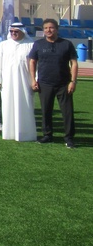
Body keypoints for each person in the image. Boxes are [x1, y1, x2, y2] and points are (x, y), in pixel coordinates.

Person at [28, 19, 78, 149]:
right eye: (45, 28)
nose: (48, 30)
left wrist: (73, 81)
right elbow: (32, 62)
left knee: (67, 112)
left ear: (56, 29)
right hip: (44, 83)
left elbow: (74, 63)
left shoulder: (67, 44)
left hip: (64, 84)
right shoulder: (38, 44)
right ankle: (47, 135)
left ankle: (69, 138)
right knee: (46, 111)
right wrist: (33, 79)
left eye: (51, 28)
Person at [0, 22, 37, 142]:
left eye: (16, 31)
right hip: (7, 82)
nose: (13, 34)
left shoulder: (31, 45)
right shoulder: (3, 45)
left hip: (25, 81)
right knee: (7, 104)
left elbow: (35, 65)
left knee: (25, 105)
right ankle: (9, 133)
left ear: (23, 32)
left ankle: (26, 133)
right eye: (11, 32)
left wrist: (35, 80)